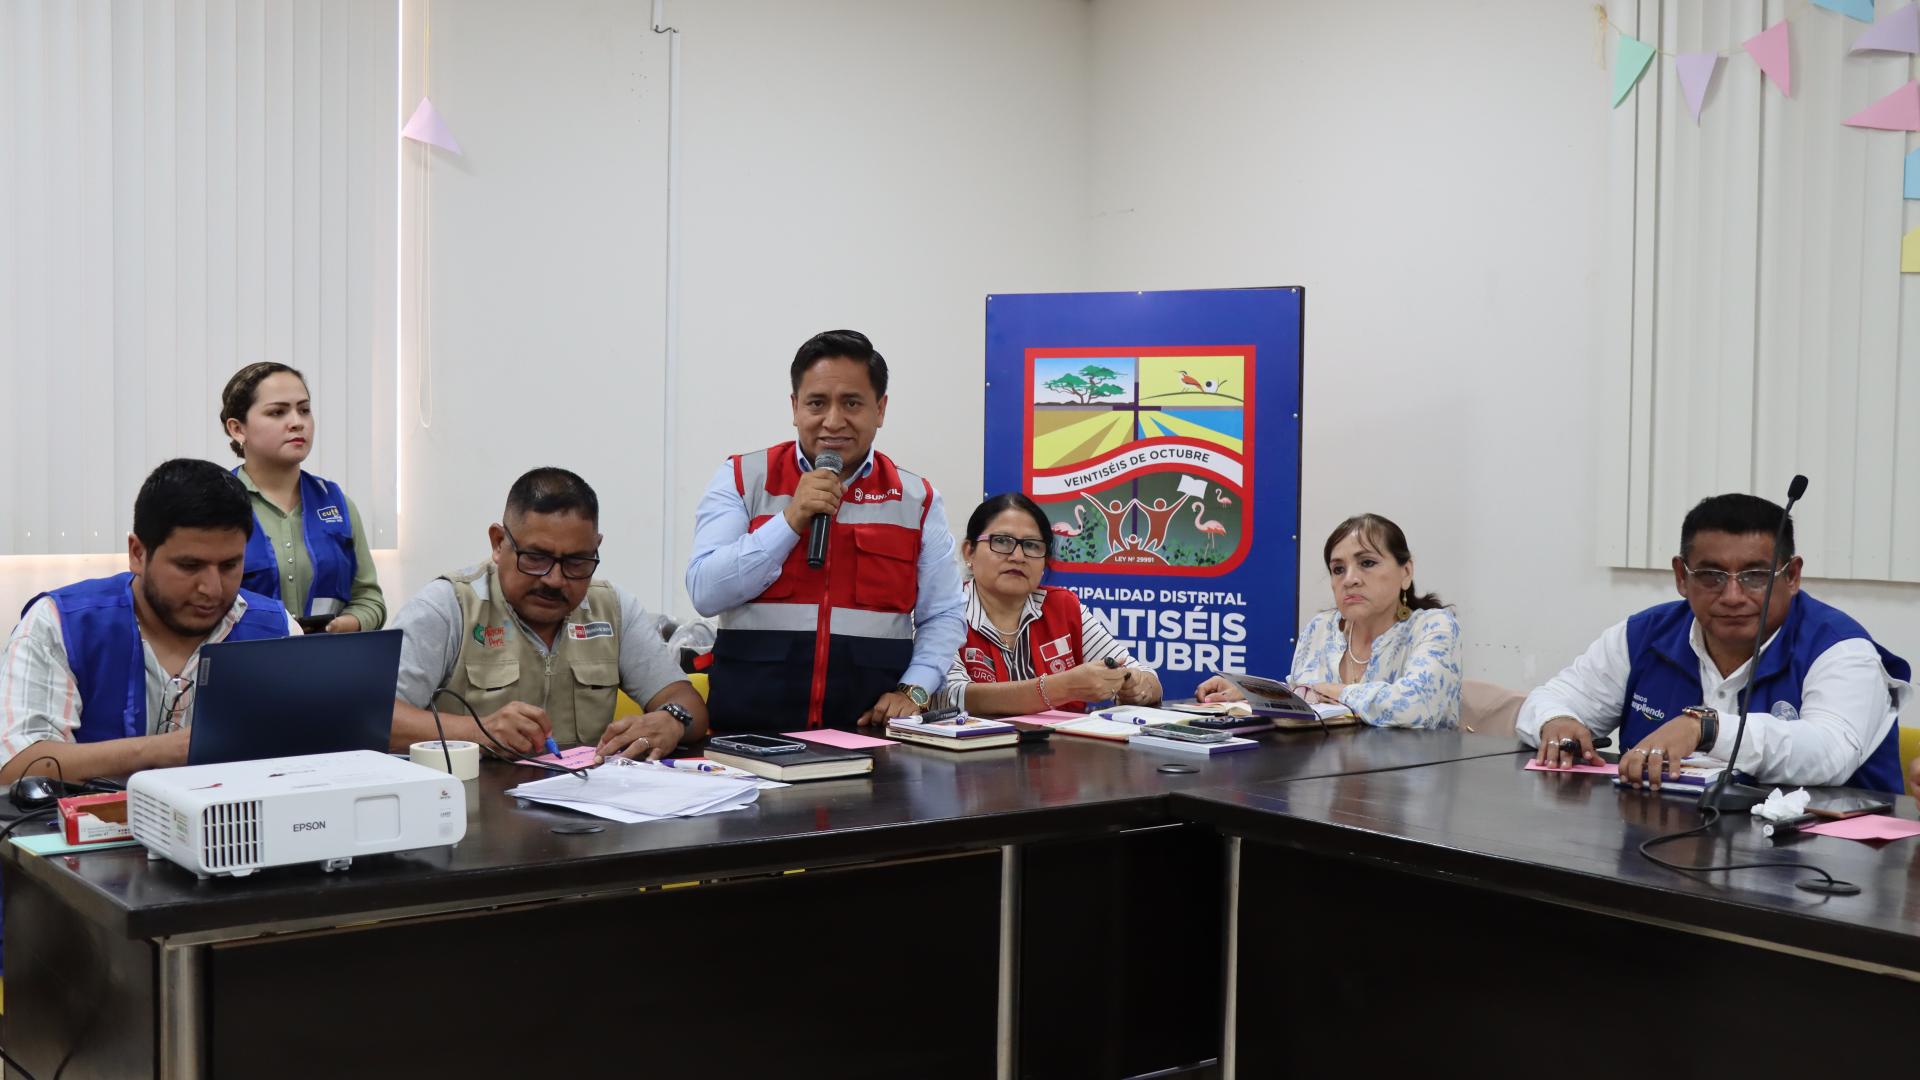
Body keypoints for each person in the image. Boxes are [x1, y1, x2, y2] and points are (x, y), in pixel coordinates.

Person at [1519, 493, 1910, 793]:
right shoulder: (1643, 635)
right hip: (1659, 846)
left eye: (1756, 576)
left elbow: (1830, 753)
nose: (1733, 596)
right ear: (1681, 576)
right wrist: (1556, 721)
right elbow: (1549, 700)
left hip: (1822, 863)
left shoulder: (1840, 648)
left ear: (1792, 576)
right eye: (1711, 576)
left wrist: (1705, 729)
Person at [686, 329, 966, 731]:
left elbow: (943, 614)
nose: (833, 421)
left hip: (869, 734)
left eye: (852, 403)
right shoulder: (742, 478)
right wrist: (790, 520)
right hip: (750, 733)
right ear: (795, 407)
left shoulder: (916, 498)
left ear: (880, 409)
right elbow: (706, 591)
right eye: (817, 403)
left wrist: (914, 690)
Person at [0, 459, 298, 785]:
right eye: (189, 566)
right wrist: (159, 751)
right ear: (138, 553)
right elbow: (16, 764)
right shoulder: (61, 624)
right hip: (96, 817)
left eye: (229, 565)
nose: (212, 589)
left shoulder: (277, 631)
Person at [388, 468, 707, 762]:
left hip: (584, 799)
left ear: (596, 547)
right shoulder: (449, 607)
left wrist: (672, 719)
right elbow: (376, 719)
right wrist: (477, 731)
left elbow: (684, 698)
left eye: (576, 562)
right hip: (468, 800)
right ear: (498, 543)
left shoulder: (612, 609)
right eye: (536, 558)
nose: (554, 579)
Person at [1196, 513, 1461, 728]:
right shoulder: (1321, 628)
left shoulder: (1435, 626)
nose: (1350, 579)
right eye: (1338, 569)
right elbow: (1308, 697)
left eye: (1367, 563)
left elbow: (1414, 707)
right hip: (1327, 770)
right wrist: (1253, 692)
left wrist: (1331, 691)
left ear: (1406, 572)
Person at [938, 493, 1162, 715]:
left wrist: (1136, 686)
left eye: (1031, 545)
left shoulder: (1063, 607)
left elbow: (1146, 677)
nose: (1018, 556)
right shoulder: (942, 612)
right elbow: (949, 696)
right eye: (1002, 541)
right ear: (969, 552)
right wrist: (1063, 687)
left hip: (1059, 740)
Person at [219, 361, 386, 632]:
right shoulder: (215, 505)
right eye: (277, 412)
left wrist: (350, 624)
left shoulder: (338, 504)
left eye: (304, 410)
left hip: (329, 655)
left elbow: (368, 598)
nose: (297, 423)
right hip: (245, 655)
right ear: (238, 429)